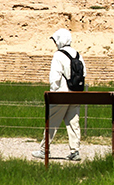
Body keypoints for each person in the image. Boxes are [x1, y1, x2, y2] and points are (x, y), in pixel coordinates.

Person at [32, 28, 85, 161]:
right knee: (74, 123)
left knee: (52, 122)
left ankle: (44, 150)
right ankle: (75, 151)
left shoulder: (58, 55)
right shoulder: (78, 55)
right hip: (76, 94)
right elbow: (84, 74)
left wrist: (53, 92)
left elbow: (54, 78)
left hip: (61, 94)